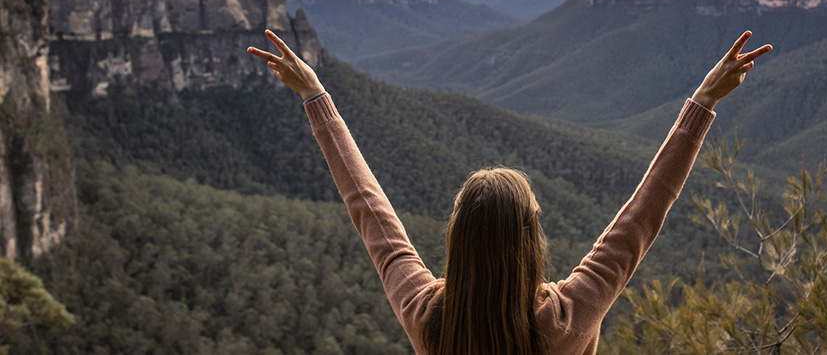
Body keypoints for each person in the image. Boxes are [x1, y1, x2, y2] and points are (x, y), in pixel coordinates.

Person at [248, 29, 772, 355]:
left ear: (457, 238)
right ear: (530, 240)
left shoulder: (429, 319)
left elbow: (372, 215)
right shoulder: (565, 319)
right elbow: (641, 217)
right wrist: (702, 102)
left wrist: (317, 97)